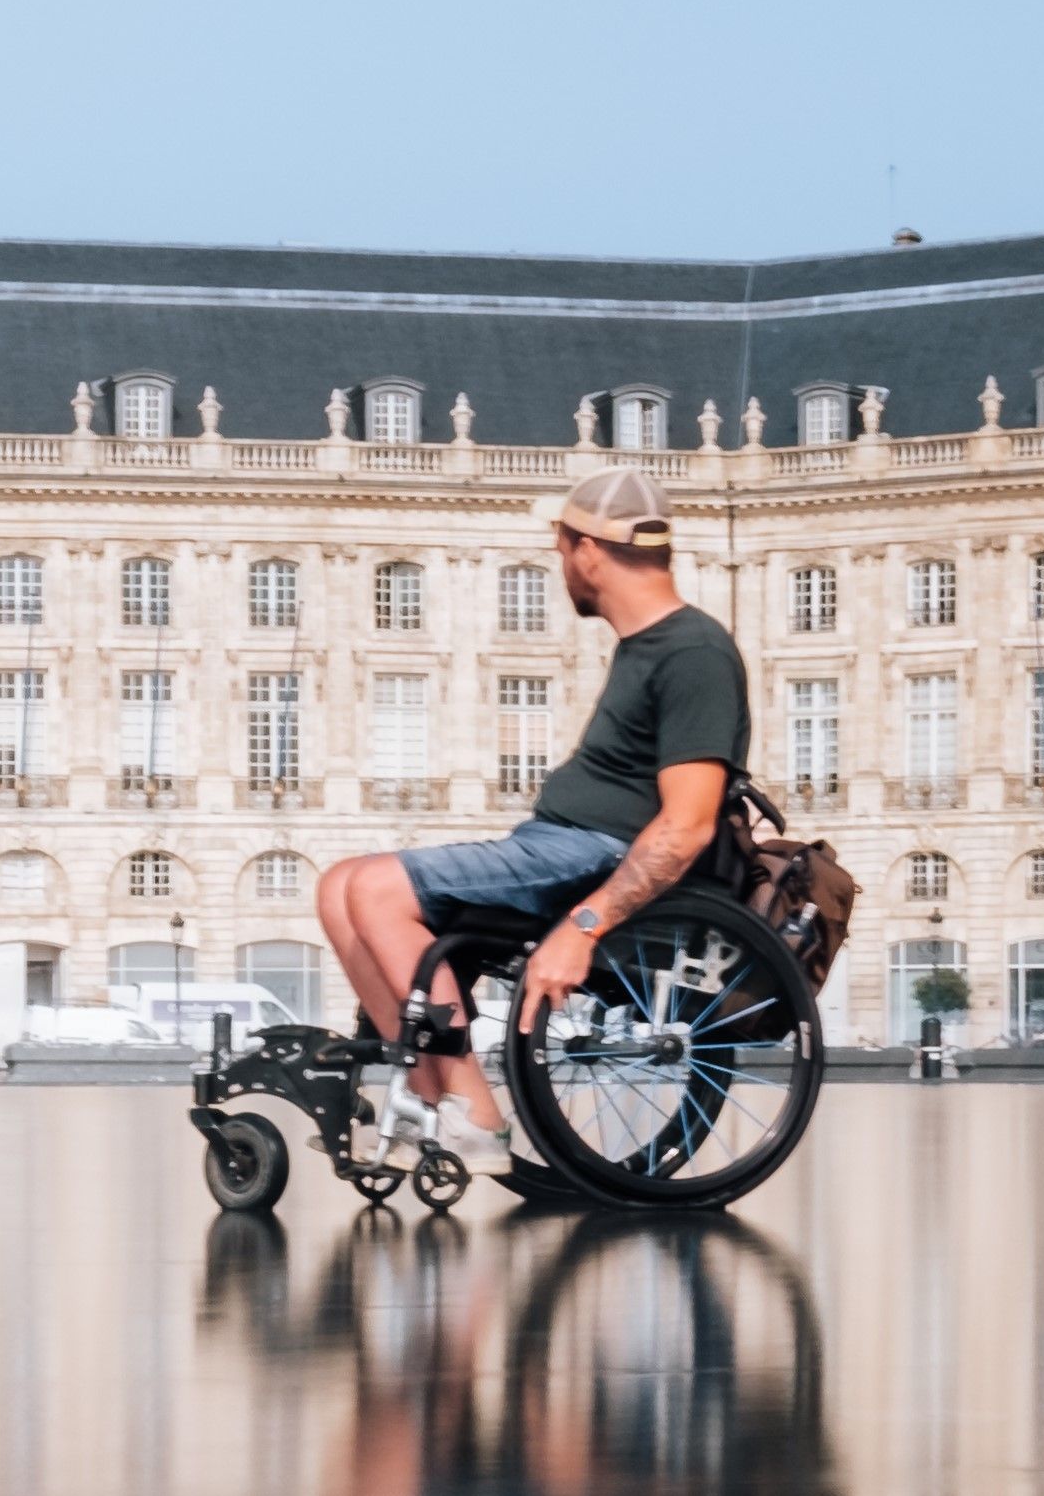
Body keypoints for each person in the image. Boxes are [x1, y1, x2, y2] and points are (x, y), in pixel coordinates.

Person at [313, 465, 747, 1161]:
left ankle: (475, 1115)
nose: (559, 564)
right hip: (565, 845)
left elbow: (688, 824)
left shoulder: (692, 651)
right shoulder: (648, 647)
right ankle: (429, 1099)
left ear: (589, 551)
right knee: (339, 887)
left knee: (372, 887)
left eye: (561, 548)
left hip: (591, 855)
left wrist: (584, 926)